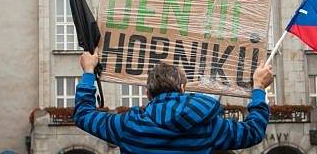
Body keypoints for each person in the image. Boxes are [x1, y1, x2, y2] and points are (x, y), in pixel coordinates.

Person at [74, 50, 273, 154]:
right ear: (183, 89)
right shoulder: (206, 125)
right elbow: (253, 132)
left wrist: (89, 71)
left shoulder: (129, 125)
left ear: (148, 94)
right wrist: (258, 88)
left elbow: (83, 114)